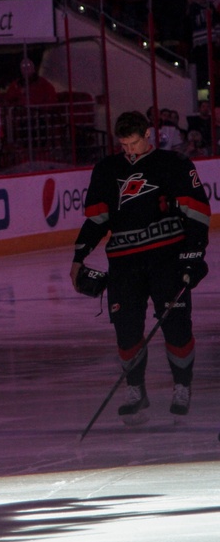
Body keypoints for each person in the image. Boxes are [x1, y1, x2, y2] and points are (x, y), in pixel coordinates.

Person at [70, 112, 211, 423]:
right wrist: (79, 256)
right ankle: (135, 390)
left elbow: (198, 212)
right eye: (123, 144)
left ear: (148, 134)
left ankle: (181, 386)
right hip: (123, 263)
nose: (129, 150)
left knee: (175, 324)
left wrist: (192, 255)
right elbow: (96, 220)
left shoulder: (173, 163)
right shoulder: (107, 169)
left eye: (133, 143)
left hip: (167, 260)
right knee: (126, 328)